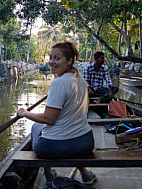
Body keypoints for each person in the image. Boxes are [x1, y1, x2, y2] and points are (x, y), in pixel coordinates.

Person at [17, 40, 96, 186]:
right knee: (55, 129)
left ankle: (48, 173)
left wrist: (25, 113)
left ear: (69, 61)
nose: (51, 62)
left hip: (57, 147)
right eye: (51, 57)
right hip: (85, 142)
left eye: (57, 58)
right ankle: (86, 174)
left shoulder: (59, 83)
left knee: (36, 128)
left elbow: (48, 118)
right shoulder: (80, 79)